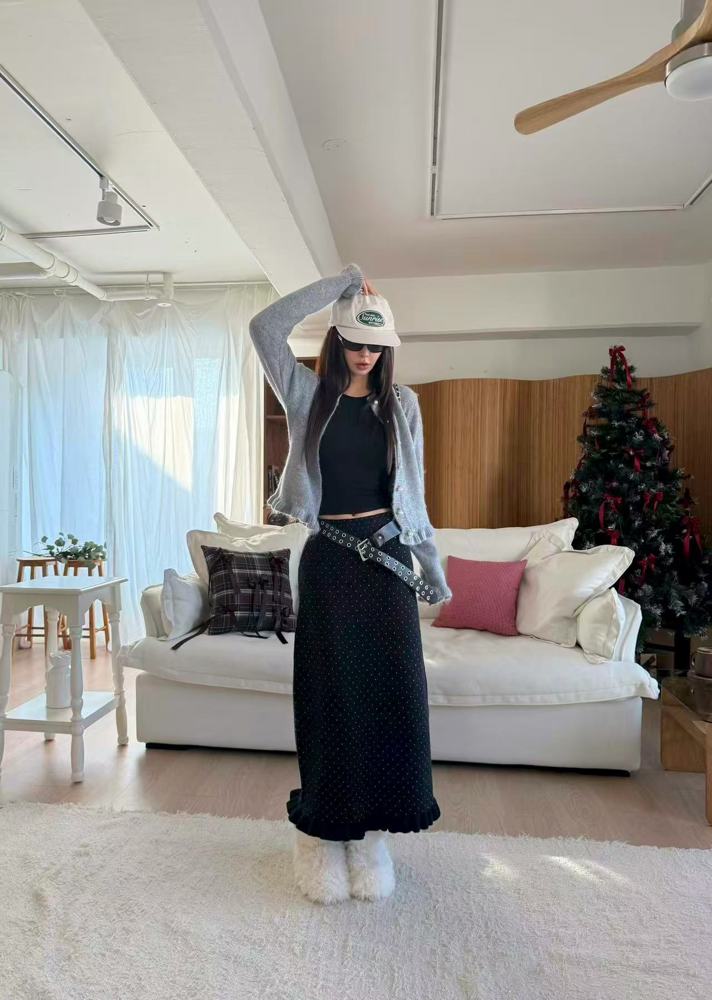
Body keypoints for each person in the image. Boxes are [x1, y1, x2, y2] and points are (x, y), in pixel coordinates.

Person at [249, 262, 452, 905]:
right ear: (337, 342)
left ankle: (372, 839)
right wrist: (339, 284)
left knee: (393, 698)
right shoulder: (307, 395)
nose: (366, 356)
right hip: (331, 560)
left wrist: (433, 569)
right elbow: (264, 326)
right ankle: (321, 835)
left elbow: (414, 496)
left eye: (376, 346)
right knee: (331, 699)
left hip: (388, 560)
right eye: (355, 343)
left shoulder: (402, 406)